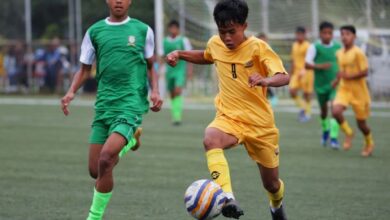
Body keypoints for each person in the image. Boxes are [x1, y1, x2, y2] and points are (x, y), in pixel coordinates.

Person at [166, 0, 290, 219]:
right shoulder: (216, 43)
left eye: (232, 31)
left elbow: (284, 76)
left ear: (244, 25)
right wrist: (180, 53)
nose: (227, 38)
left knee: (271, 184)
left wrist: (266, 80)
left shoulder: (258, 47)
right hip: (229, 118)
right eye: (222, 32)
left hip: (260, 125)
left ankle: (276, 205)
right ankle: (226, 198)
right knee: (211, 138)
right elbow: (206, 56)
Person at [60, 0, 163, 219]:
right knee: (96, 170)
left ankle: (93, 217)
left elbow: (152, 65)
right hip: (104, 105)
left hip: (130, 104)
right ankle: (132, 140)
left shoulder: (143, 30)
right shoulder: (94, 31)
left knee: (106, 158)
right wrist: (71, 92)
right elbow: (84, 70)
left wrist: (155, 91)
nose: (119, 1)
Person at [332, 25, 374, 157]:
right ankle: (349, 133)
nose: (344, 37)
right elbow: (341, 72)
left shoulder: (358, 53)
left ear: (354, 37)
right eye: (342, 34)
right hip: (344, 89)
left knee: (362, 124)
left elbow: (365, 71)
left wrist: (347, 76)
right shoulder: (339, 53)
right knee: (335, 111)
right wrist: (337, 81)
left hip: (359, 92)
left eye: (347, 34)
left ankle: (369, 142)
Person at [305, 21, 341, 149]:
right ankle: (325, 130)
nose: (327, 35)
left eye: (330, 33)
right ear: (320, 34)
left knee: (335, 110)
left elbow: (343, 62)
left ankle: (334, 138)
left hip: (335, 84)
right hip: (320, 85)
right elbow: (307, 64)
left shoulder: (338, 47)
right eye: (324, 33)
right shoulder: (314, 47)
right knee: (324, 112)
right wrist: (320, 66)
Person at [162, 20, 193, 125]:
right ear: (169, 29)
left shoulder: (184, 40)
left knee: (177, 91)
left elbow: (190, 56)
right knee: (172, 94)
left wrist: (189, 70)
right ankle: (174, 114)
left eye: (175, 28)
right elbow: (162, 56)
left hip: (180, 71)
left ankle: (177, 117)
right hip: (169, 71)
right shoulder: (165, 41)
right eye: (171, 28)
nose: (173, 30)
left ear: (178, 29)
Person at [289, 27, 314, 122]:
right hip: (296, 73)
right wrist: (290, 74)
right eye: (297, 34)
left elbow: (310, 60)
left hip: (307, 72)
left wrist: (305, 69)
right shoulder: (294, 45)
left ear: (304, 35)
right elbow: (293, 60)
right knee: (292, 91)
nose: (299, 36)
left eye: (301, 34)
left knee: (307, 94)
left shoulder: (308, 45)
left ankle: (308, 113)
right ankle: (303, 107)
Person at [256, 33, 279, 107]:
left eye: (264, 41)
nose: (263, 43)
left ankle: (271, 99)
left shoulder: (269, 52)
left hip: (266, 76)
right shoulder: (254, 51)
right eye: (260, 41)